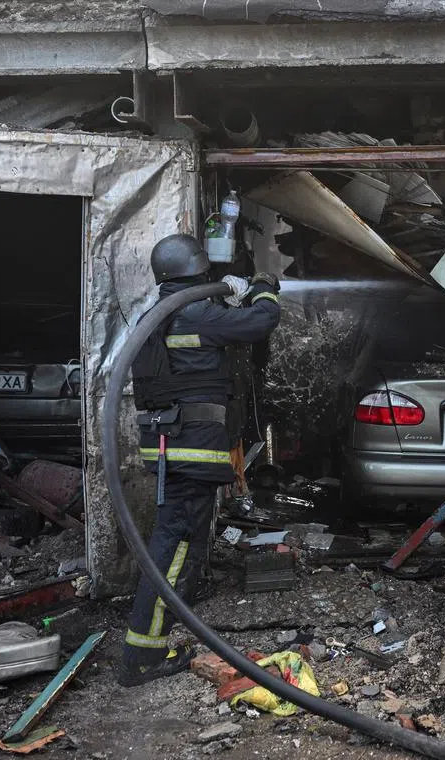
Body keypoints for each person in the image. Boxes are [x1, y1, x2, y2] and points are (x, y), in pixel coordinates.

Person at [118, 233, 281, 687]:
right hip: (189, 447)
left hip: (171, 446)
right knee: (172, 551)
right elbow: (262, 321)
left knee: (175, 547)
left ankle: (152, 644)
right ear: (198, 270)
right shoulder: (197, 312)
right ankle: (141, 656)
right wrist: (263, 285)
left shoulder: (157, 315)